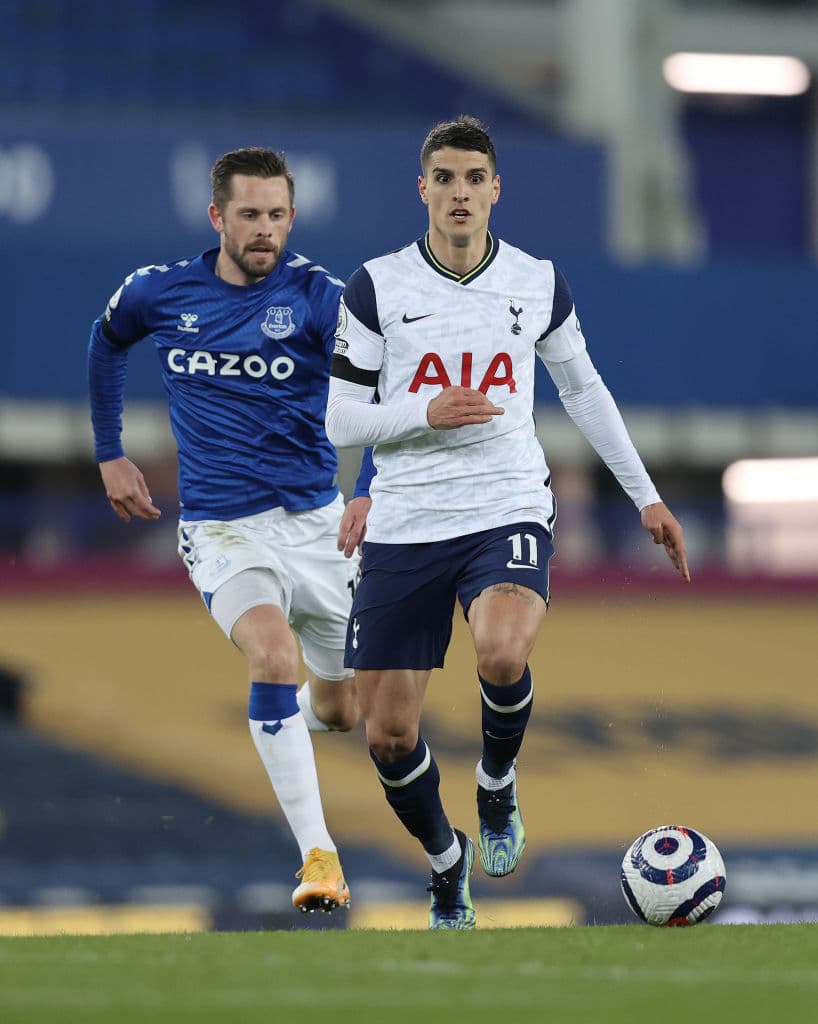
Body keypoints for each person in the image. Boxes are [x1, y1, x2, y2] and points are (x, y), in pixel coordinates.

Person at [325, 116, 690, 930]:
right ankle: (447, 864)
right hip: (407, 518)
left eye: (475, 178)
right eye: (445, 179)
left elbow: (585, 391)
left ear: (496, 190)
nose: (460, 193)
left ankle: (495, 787)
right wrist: (424, 412)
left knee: (502, 648)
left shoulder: (537, 281)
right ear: (422, 190)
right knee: (386, 734)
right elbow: (341, 419)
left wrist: (647, 498)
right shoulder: (377, 287)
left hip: (505, 503)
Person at [88, 146, 372, 915]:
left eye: (278, 215)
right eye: (250, 214)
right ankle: (320, 857)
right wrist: (110, 451)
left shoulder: (319, 299)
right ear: (217, 216)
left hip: (317, 527)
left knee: (345, 712)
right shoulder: (160, 292)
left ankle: (282, 721)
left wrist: (370, 489)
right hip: (222, 530)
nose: (265, 230)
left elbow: (386, 383)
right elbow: (106, 342)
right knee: (274, 658)